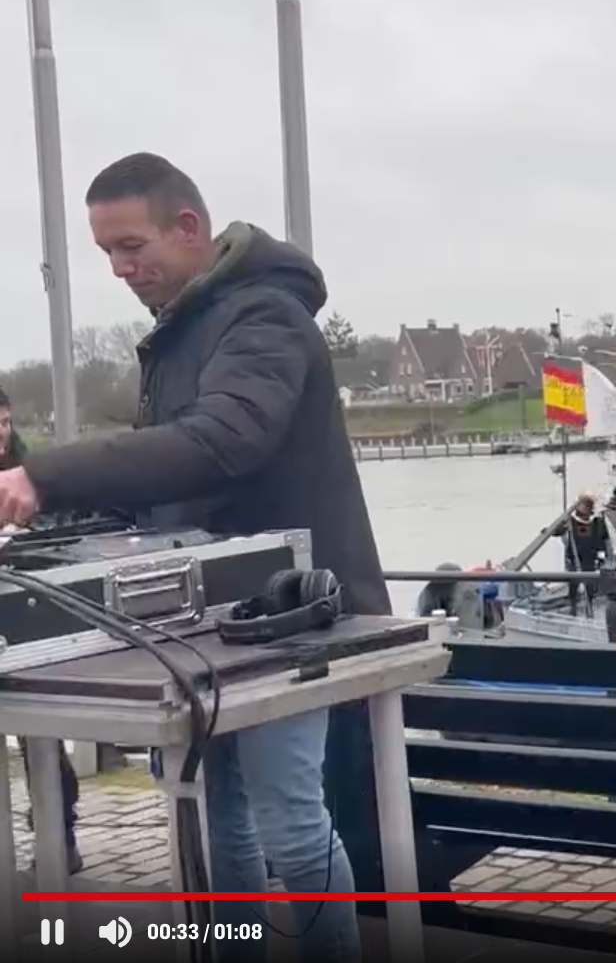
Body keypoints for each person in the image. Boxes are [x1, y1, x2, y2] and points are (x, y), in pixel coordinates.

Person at [0, 153, 373, 962]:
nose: (119, 268)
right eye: (106, 252)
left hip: (287, 615)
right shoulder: (179, 332)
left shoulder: (265, 317)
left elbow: (221, 441)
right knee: (216, 822)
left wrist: (44, 475)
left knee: (289, 824)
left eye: (131, 246)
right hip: (206, 628)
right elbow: (163, 485)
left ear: (189, 228)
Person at [0, 386, 84, 875]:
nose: (1, 433)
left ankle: (59, 836)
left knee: (39, 734)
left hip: (23, 608)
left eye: (5, 422)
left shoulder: (25, 468)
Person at [551, 493, 610, 616]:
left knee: (590, 585)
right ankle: (573, 607)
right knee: (573, 584)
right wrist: (553, 528)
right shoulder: (570, 522)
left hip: (590, 558)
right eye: (581, 506)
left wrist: (602, 556)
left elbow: (603, 540)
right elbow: (556, 531)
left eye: (585, 506)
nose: (583, 509)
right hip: (574, 557)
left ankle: (589, 607)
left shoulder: (597, 522)